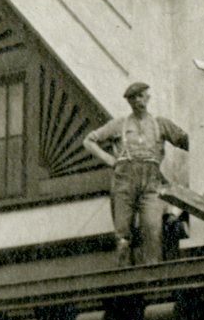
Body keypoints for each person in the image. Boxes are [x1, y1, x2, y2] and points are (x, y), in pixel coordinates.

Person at [82, 81, 195, 264]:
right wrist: (110, 160)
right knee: (123, 236)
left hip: (151, 184)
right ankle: (124, 280)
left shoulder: (161, 125)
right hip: (124, 184)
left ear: (148, 97)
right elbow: (89, 141)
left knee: (152, 230)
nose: (137, 101)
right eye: (133, 98)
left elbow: (189, 142)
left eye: (141, 96)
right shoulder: (119, 125)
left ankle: (153, 278)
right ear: (128, 102)